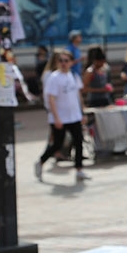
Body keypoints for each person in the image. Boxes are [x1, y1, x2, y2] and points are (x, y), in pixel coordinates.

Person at [35, 49, 91, 182]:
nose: (63, 63)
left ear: (71, 62)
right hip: (60, 117)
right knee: (57, 144)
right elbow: (51, 99)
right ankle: (41, 161)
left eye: (66, 61)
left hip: (74, 116)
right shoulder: (54, 78)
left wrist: (82, 112)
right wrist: (56, 117)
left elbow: (78, 95)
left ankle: (79, 170)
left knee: (78, 141)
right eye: (61, 61)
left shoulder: (73, 76)